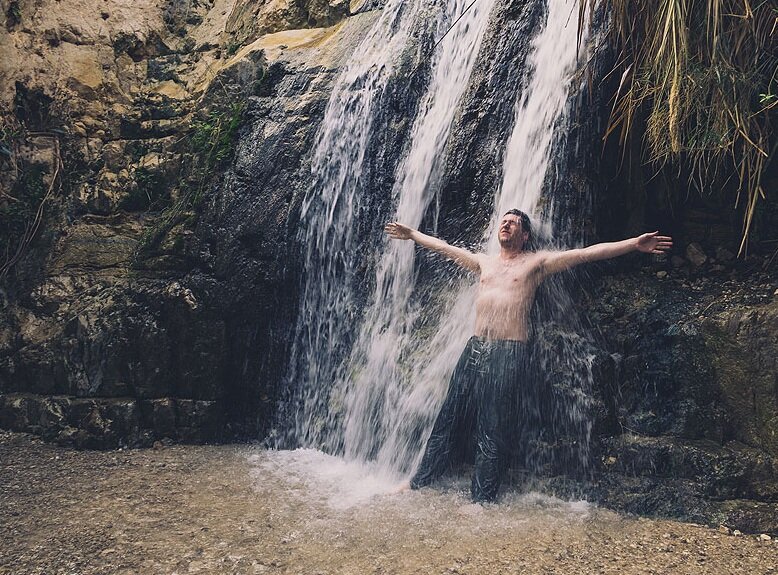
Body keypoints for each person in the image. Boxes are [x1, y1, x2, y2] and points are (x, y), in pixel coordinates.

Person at [384, 210, 672, 501]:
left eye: (514, 223)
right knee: (448, 418)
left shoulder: (537, 264)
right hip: (474, 348)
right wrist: (411, 235)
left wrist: (634, 243)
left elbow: (586, 254)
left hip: (509, 351)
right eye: (503, 221)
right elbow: (445, 247)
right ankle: (419, 482)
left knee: (493, 428)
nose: (506, 224)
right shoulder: (484, 263)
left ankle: (481, 500)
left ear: (524, 236)